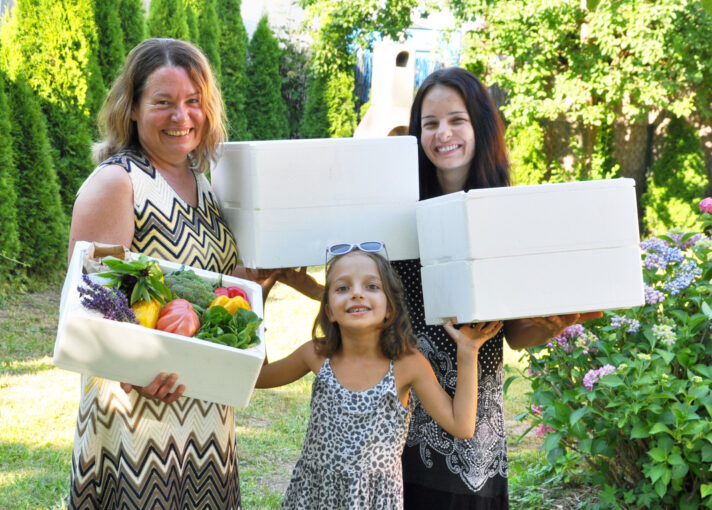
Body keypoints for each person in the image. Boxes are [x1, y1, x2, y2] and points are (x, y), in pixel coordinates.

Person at [66, 38, 297, 509]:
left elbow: (218, 295)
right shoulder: (118, 182)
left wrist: (256, 288)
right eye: (164, 102)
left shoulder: (203, 182)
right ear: (132, 109)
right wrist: (134, 372)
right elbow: (88, 304)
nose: (182, 117)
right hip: (137, 418)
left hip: (206, 411)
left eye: (194, 102)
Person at [395, 66, 602, 509]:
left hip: (475, 430)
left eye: (457, 119)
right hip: (403, 417)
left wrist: (552, 325)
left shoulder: (508, 212)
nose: (443, 133)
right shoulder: (398, 209)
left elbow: (513, 334)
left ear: (479, 126)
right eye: (430, 123)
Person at [255, 242, 503, 509]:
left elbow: (462, 426)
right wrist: (258, 294)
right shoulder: (316, 355)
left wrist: (467, 352)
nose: (357, 294)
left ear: (389, 309)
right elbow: (257, 377)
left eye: (371, 286)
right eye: (342, 288)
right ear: (329, 310)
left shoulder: (408, 365)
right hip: (313, 495)